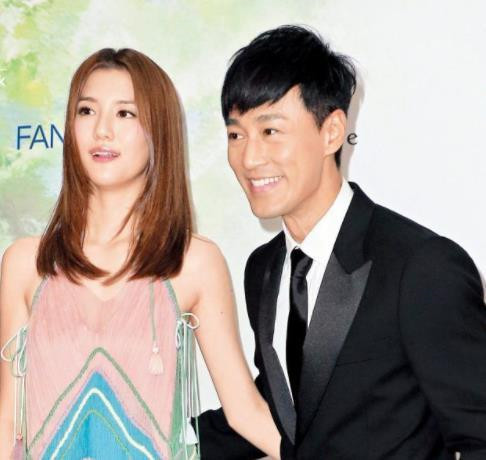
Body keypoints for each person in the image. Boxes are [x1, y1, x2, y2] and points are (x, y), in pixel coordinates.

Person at [197, 25, 486, 459]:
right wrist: (148, 437)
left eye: (270, 131)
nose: (249, 157)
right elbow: (286, 406)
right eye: (236, 134)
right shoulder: (264, 268)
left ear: (332, 132)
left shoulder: (421, 267)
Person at [0, 48, 281, 459]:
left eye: (125, 114)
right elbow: (8, 421)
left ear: (159, 131)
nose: (102, 131)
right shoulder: (26, 262)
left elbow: (245, 412)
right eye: (86, 111)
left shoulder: (193, 263)